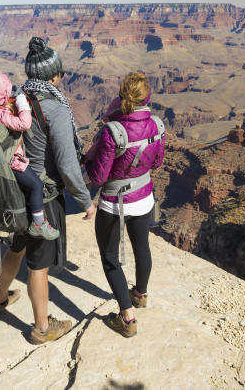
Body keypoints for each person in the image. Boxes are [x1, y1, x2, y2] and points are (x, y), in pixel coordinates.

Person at [0, 37, 97, 345]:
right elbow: (65, 164)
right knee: (38, 264)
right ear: (54, 75)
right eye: (60, 73)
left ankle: (0, 300)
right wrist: (86, 201)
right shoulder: (55, 108)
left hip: (16, 188)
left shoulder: (17, 98)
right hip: (44, 197)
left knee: (17, 246)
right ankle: (41, 329)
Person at [84, 71, 165, 338]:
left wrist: (88, 159)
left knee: (110, 257)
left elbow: (98, 177)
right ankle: (140, 295)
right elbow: (156, 163)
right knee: (142, 247)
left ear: (121, 95)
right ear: (146, 96)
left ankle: (127, 319)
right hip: (144, 198)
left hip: (114, 204)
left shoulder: (112, 131)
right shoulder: (156, 124)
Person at [0, 68, 57, 240]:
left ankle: (10, 227)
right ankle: (39, 223)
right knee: (36, 186)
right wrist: (21, 102)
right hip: (11, 163)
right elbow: (24, 124)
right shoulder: (0, 114)